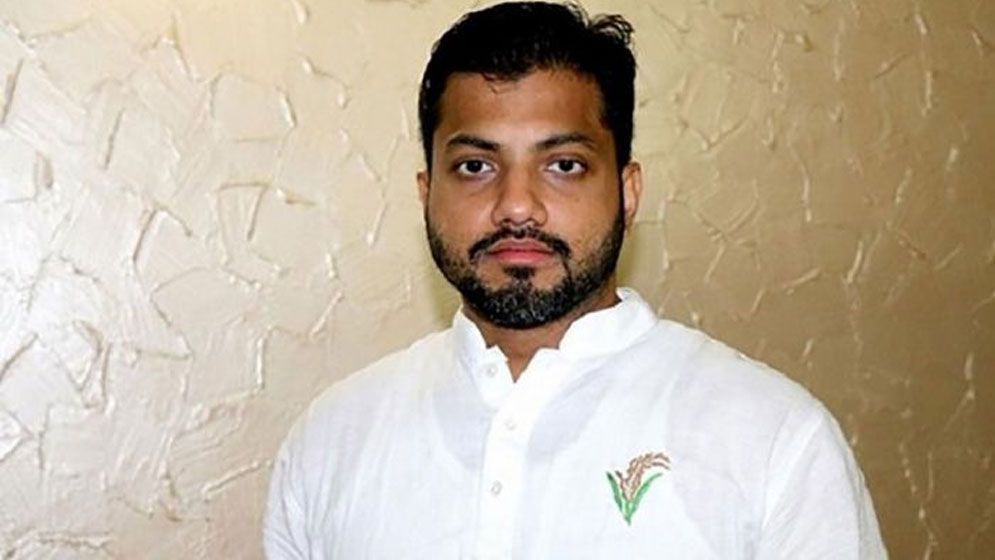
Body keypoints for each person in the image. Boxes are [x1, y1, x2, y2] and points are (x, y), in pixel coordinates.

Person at [264, 2, 886, 558]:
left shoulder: (773, 441)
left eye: (564, 165)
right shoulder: (332, 438)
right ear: (427, 194)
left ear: (628, 192)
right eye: (476, 166)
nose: (517, 206)